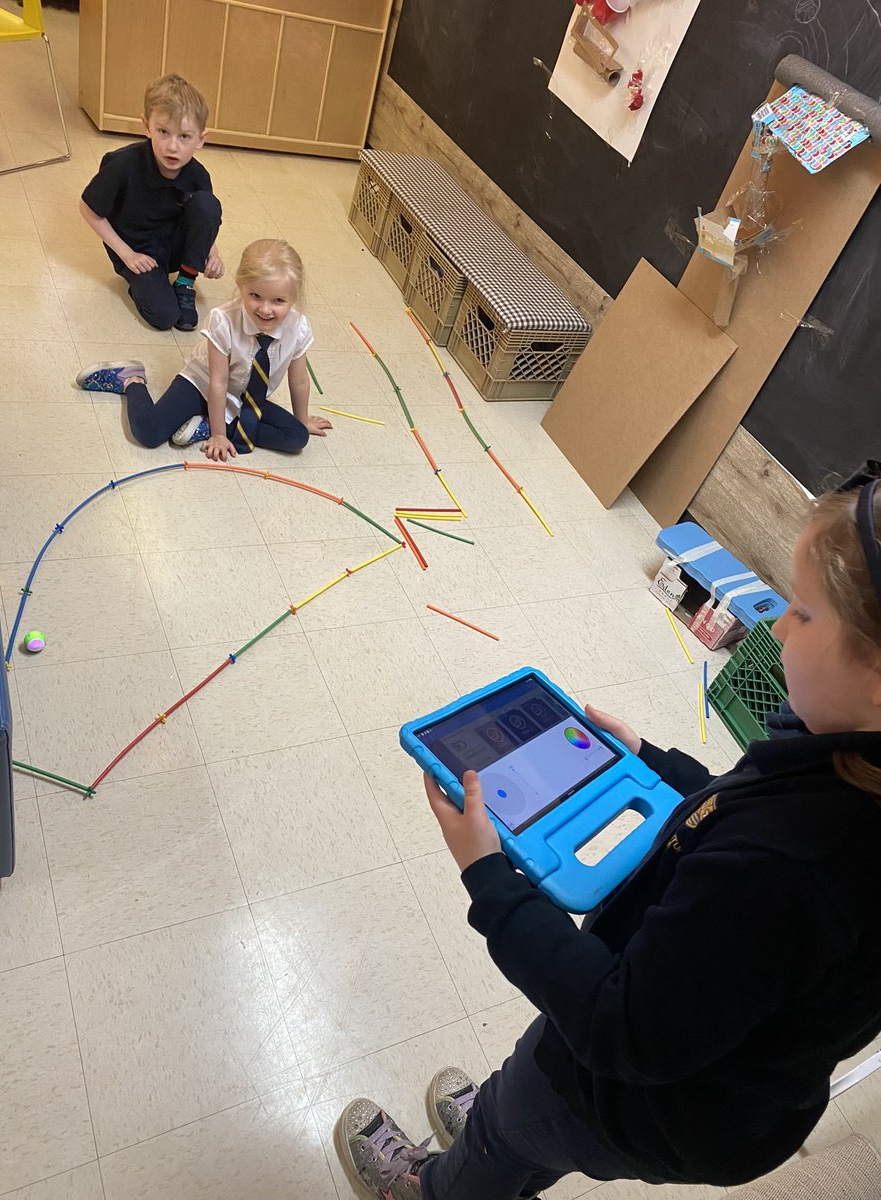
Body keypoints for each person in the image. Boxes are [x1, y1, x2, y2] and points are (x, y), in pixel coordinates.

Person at [336, 467, 881, 1199]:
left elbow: (616, 1027)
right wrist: (654, 763)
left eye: (805, 614)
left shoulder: (795, 866)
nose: (778, 626)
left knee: (515, 1119)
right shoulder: (844, 759)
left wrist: (488, 878)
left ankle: (434, 1182)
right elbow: (747, 812)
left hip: (633, 1095)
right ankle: (506, 1150)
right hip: (724, 1092)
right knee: (532, 1132)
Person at [75, 238, 331, 458]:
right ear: (240, 285)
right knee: (149, 432)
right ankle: (131, 380)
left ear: (293, 297)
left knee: (296, 437)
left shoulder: (298, 327)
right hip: (201, 383)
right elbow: (218, 381)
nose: (265, 309)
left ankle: (205, 425)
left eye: (278, 301)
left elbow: (299, 380)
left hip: (244, 396)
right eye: (255, 296)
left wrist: (302, 420)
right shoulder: (224, 320)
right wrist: (219, 436)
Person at [79, 73, 223, 332]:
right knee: (164, 317)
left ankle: (185, 283)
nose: (172, 147)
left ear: (200, 139)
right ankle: (143, 285)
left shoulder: (198, 175)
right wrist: (127, 254)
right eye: (163, 132)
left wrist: (212, 252)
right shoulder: (122, 165)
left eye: (184, 137)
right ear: (147, 127)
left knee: (207, 203)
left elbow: (203, 219)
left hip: (172, 245)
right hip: (137, 249)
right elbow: (88, 209)